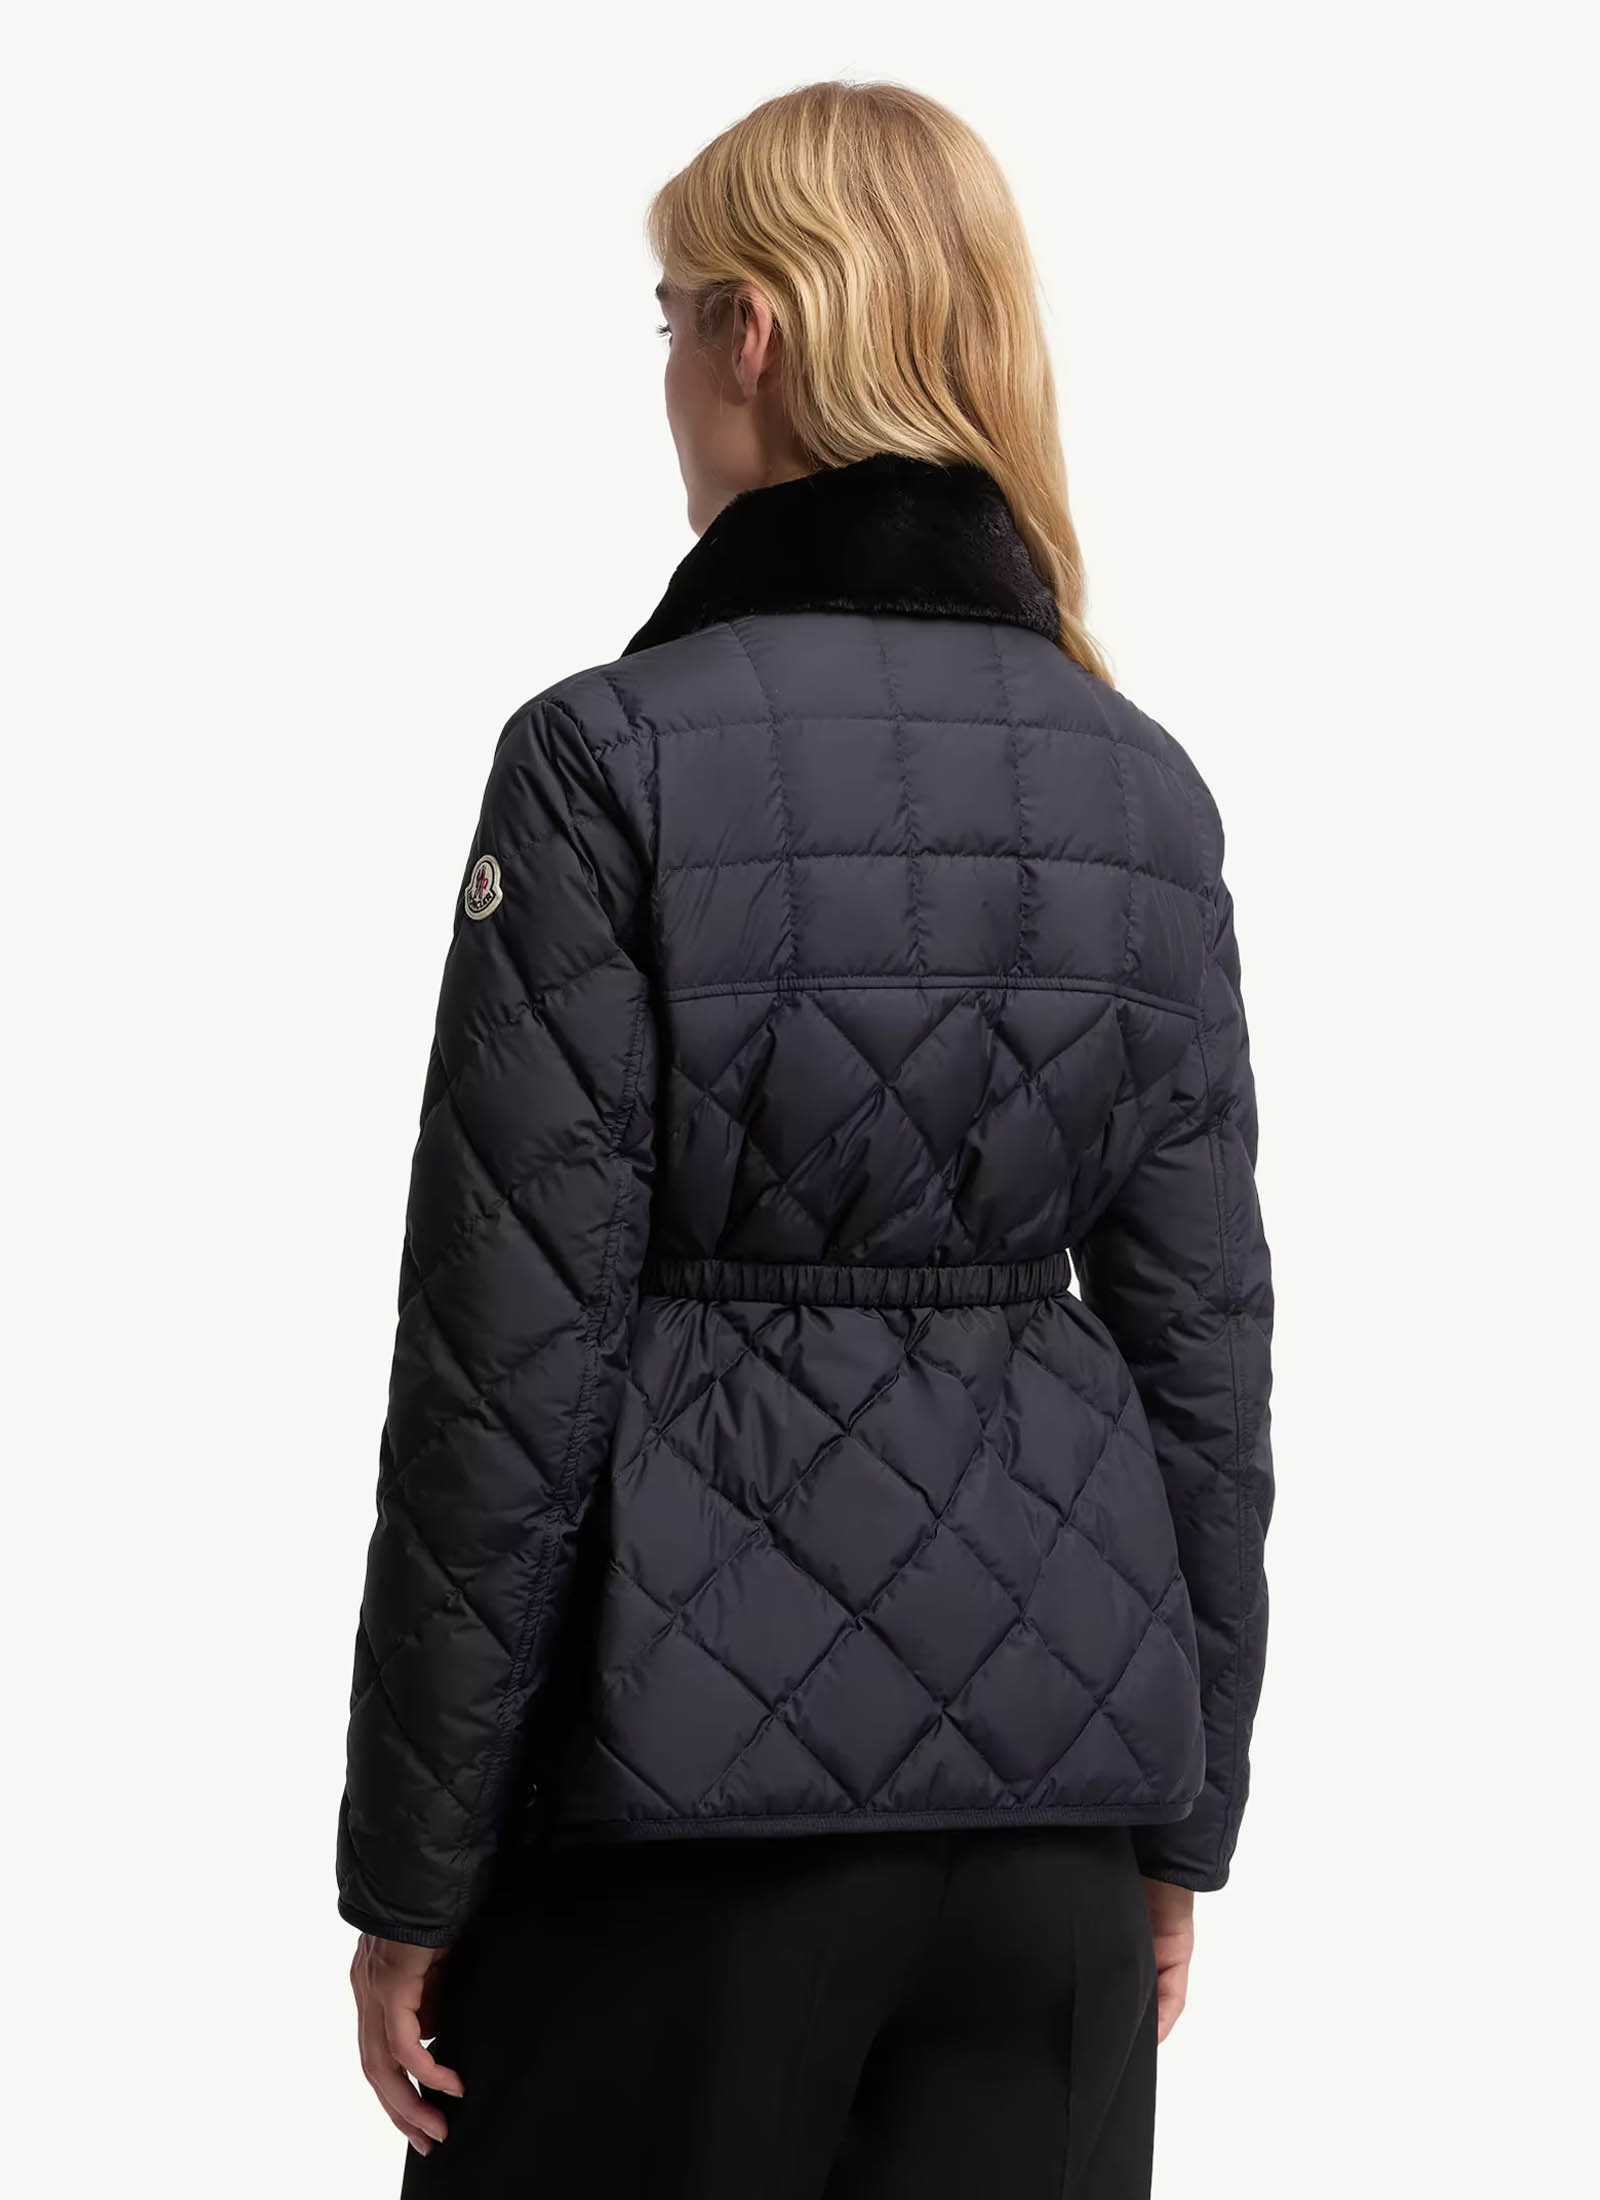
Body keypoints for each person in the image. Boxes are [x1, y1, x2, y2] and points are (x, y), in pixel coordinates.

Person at [338, 78, 1274, 2200]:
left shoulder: (606, 760)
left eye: (668, 315)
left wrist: (411, 1868)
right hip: (1049, 1839)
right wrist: (1173, 1819)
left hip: (672, 1829)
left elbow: (504, 1360)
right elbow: (1203, 1357)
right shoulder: (1142, 788)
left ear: (752, 334)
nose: (666, 375)